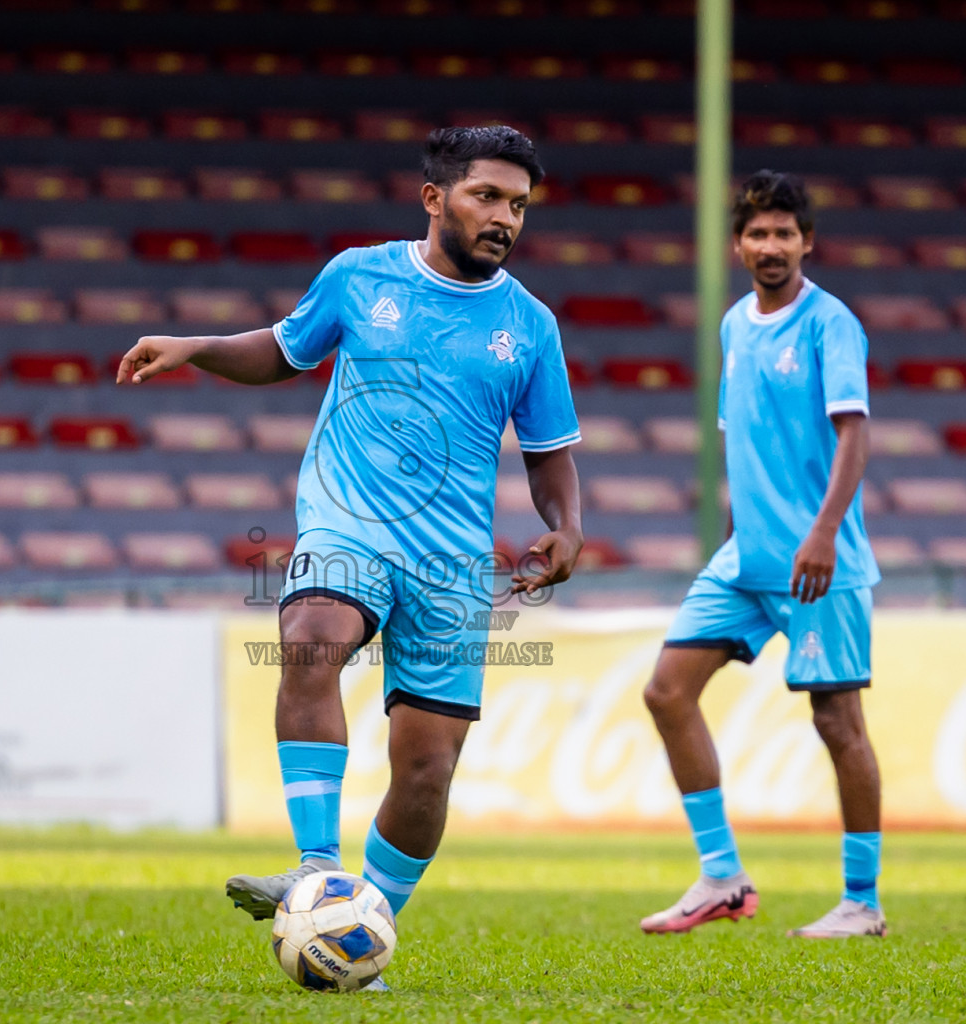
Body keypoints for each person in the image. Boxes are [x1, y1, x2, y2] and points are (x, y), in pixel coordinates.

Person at [117, 126, 584, 939]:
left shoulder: (532, 326)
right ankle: (317, 866)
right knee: (310, 634)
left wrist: (567, 529)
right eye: (487, 197)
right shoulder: (359, 275)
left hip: (451, 563)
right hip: (349, 521)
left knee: (427, 773)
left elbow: (549, 455)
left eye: (517, 203)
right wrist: (195, 346)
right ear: (435, 198)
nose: (505, 217)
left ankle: (357, 925)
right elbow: (283, 351)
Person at [639, 170, 886, 939]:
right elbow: (741, 439)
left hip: (822, 560)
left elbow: (854, 434)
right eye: (758, 233)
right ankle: (721, 876)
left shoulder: (831, 323)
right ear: (738, 244)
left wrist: (822, 532)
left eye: (786, 233)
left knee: (838, 723)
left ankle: (862, 902)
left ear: (807, 241)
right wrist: (730, 535)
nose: (771, 246)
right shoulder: (734, 324)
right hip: (746, 558)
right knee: (667, 692)